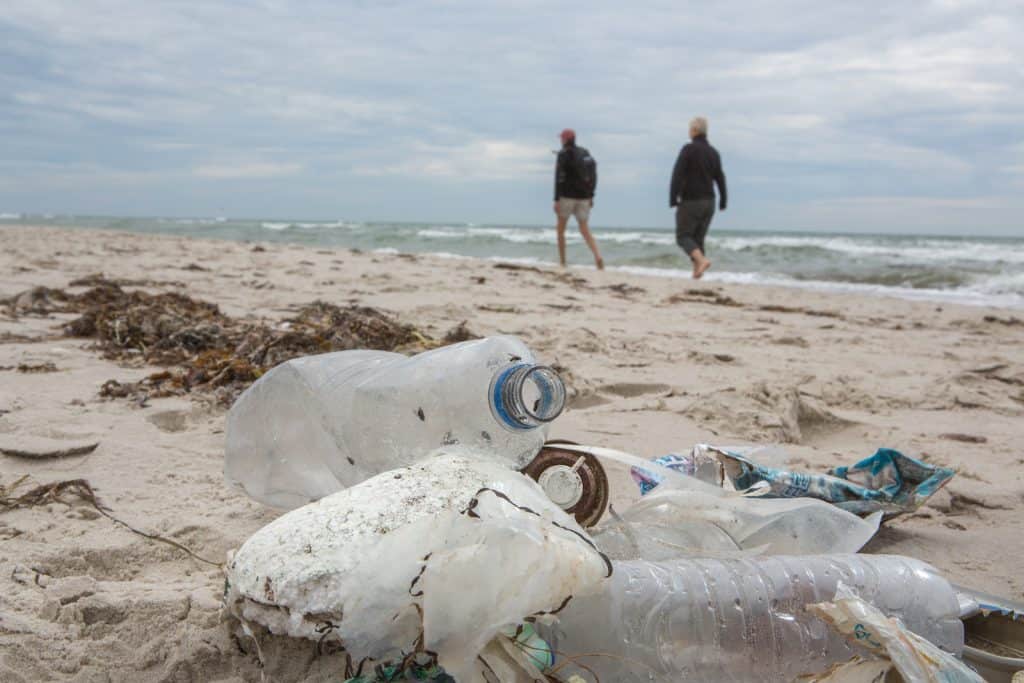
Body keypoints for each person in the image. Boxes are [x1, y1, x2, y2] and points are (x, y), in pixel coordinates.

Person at [670, 116, 727, 279]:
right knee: (698, 239)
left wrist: (673, 198)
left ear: (694, 131)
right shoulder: (714, 152)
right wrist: (723, 200)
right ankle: (697, 274)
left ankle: (701, 261)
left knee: (683, 236)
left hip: (691, 200)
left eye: (690, 129)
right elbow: (720, 178)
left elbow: (677, 173)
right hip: (710, 202)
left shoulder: (688, 149)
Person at [554, 128, 604, 270]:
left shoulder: (563, 154)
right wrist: (591, 195)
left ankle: (563, 262)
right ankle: (598, 256)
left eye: (561, 138)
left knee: (560, 230)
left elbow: (558, 178)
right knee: (584, 228)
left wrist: (556, 199)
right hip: (584, 197)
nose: (560, 140)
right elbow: (594, 174)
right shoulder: (585, 153)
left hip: (566, 197)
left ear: (565, 139)